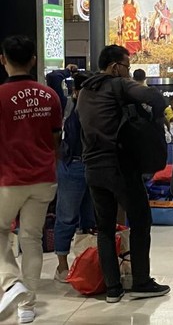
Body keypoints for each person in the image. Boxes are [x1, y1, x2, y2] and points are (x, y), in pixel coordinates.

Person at [78, 45, 169, 304]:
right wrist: (151, 121)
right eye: (127, 66)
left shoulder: (84, 91)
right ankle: (141, 281)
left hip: (92, 168)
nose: (128, 71)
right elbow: (155, 97)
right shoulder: (118, 84)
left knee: (105, 229)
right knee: (140, 221)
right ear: (115, 66)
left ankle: (113, 289)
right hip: (119, 166)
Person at [0, 36, 62, 323]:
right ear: (33, 60)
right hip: (44, 177)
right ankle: (27, 306)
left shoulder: (0, 96)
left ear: (3, 60)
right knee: (32, 238)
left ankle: (12, 284)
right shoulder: (49, 95)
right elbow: (55, 138)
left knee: (2, 233)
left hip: (9, 178)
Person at [53, 72, 96, 283]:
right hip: (72, 165)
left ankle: (86, 263)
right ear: (76, 91)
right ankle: (62, 266)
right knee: (67, 216)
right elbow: (53, 78)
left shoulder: (96, 106)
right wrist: (67, 72)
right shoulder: (69, 106)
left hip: (93, 166)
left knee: (89, 219)